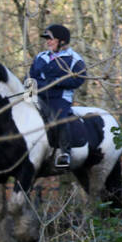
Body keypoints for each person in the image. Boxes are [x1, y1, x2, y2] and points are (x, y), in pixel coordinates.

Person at [29, 23, 86, 170]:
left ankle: (64, 153)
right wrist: (27, 95)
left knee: (59, 117)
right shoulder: (40, 57)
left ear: (61, 41)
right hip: (38, 97)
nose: (47, 41)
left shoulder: (74, 59)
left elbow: (79, 79)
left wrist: (55, 83)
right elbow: (31, 77)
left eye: (50, 39)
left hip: (59, 98)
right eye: (46, 39)